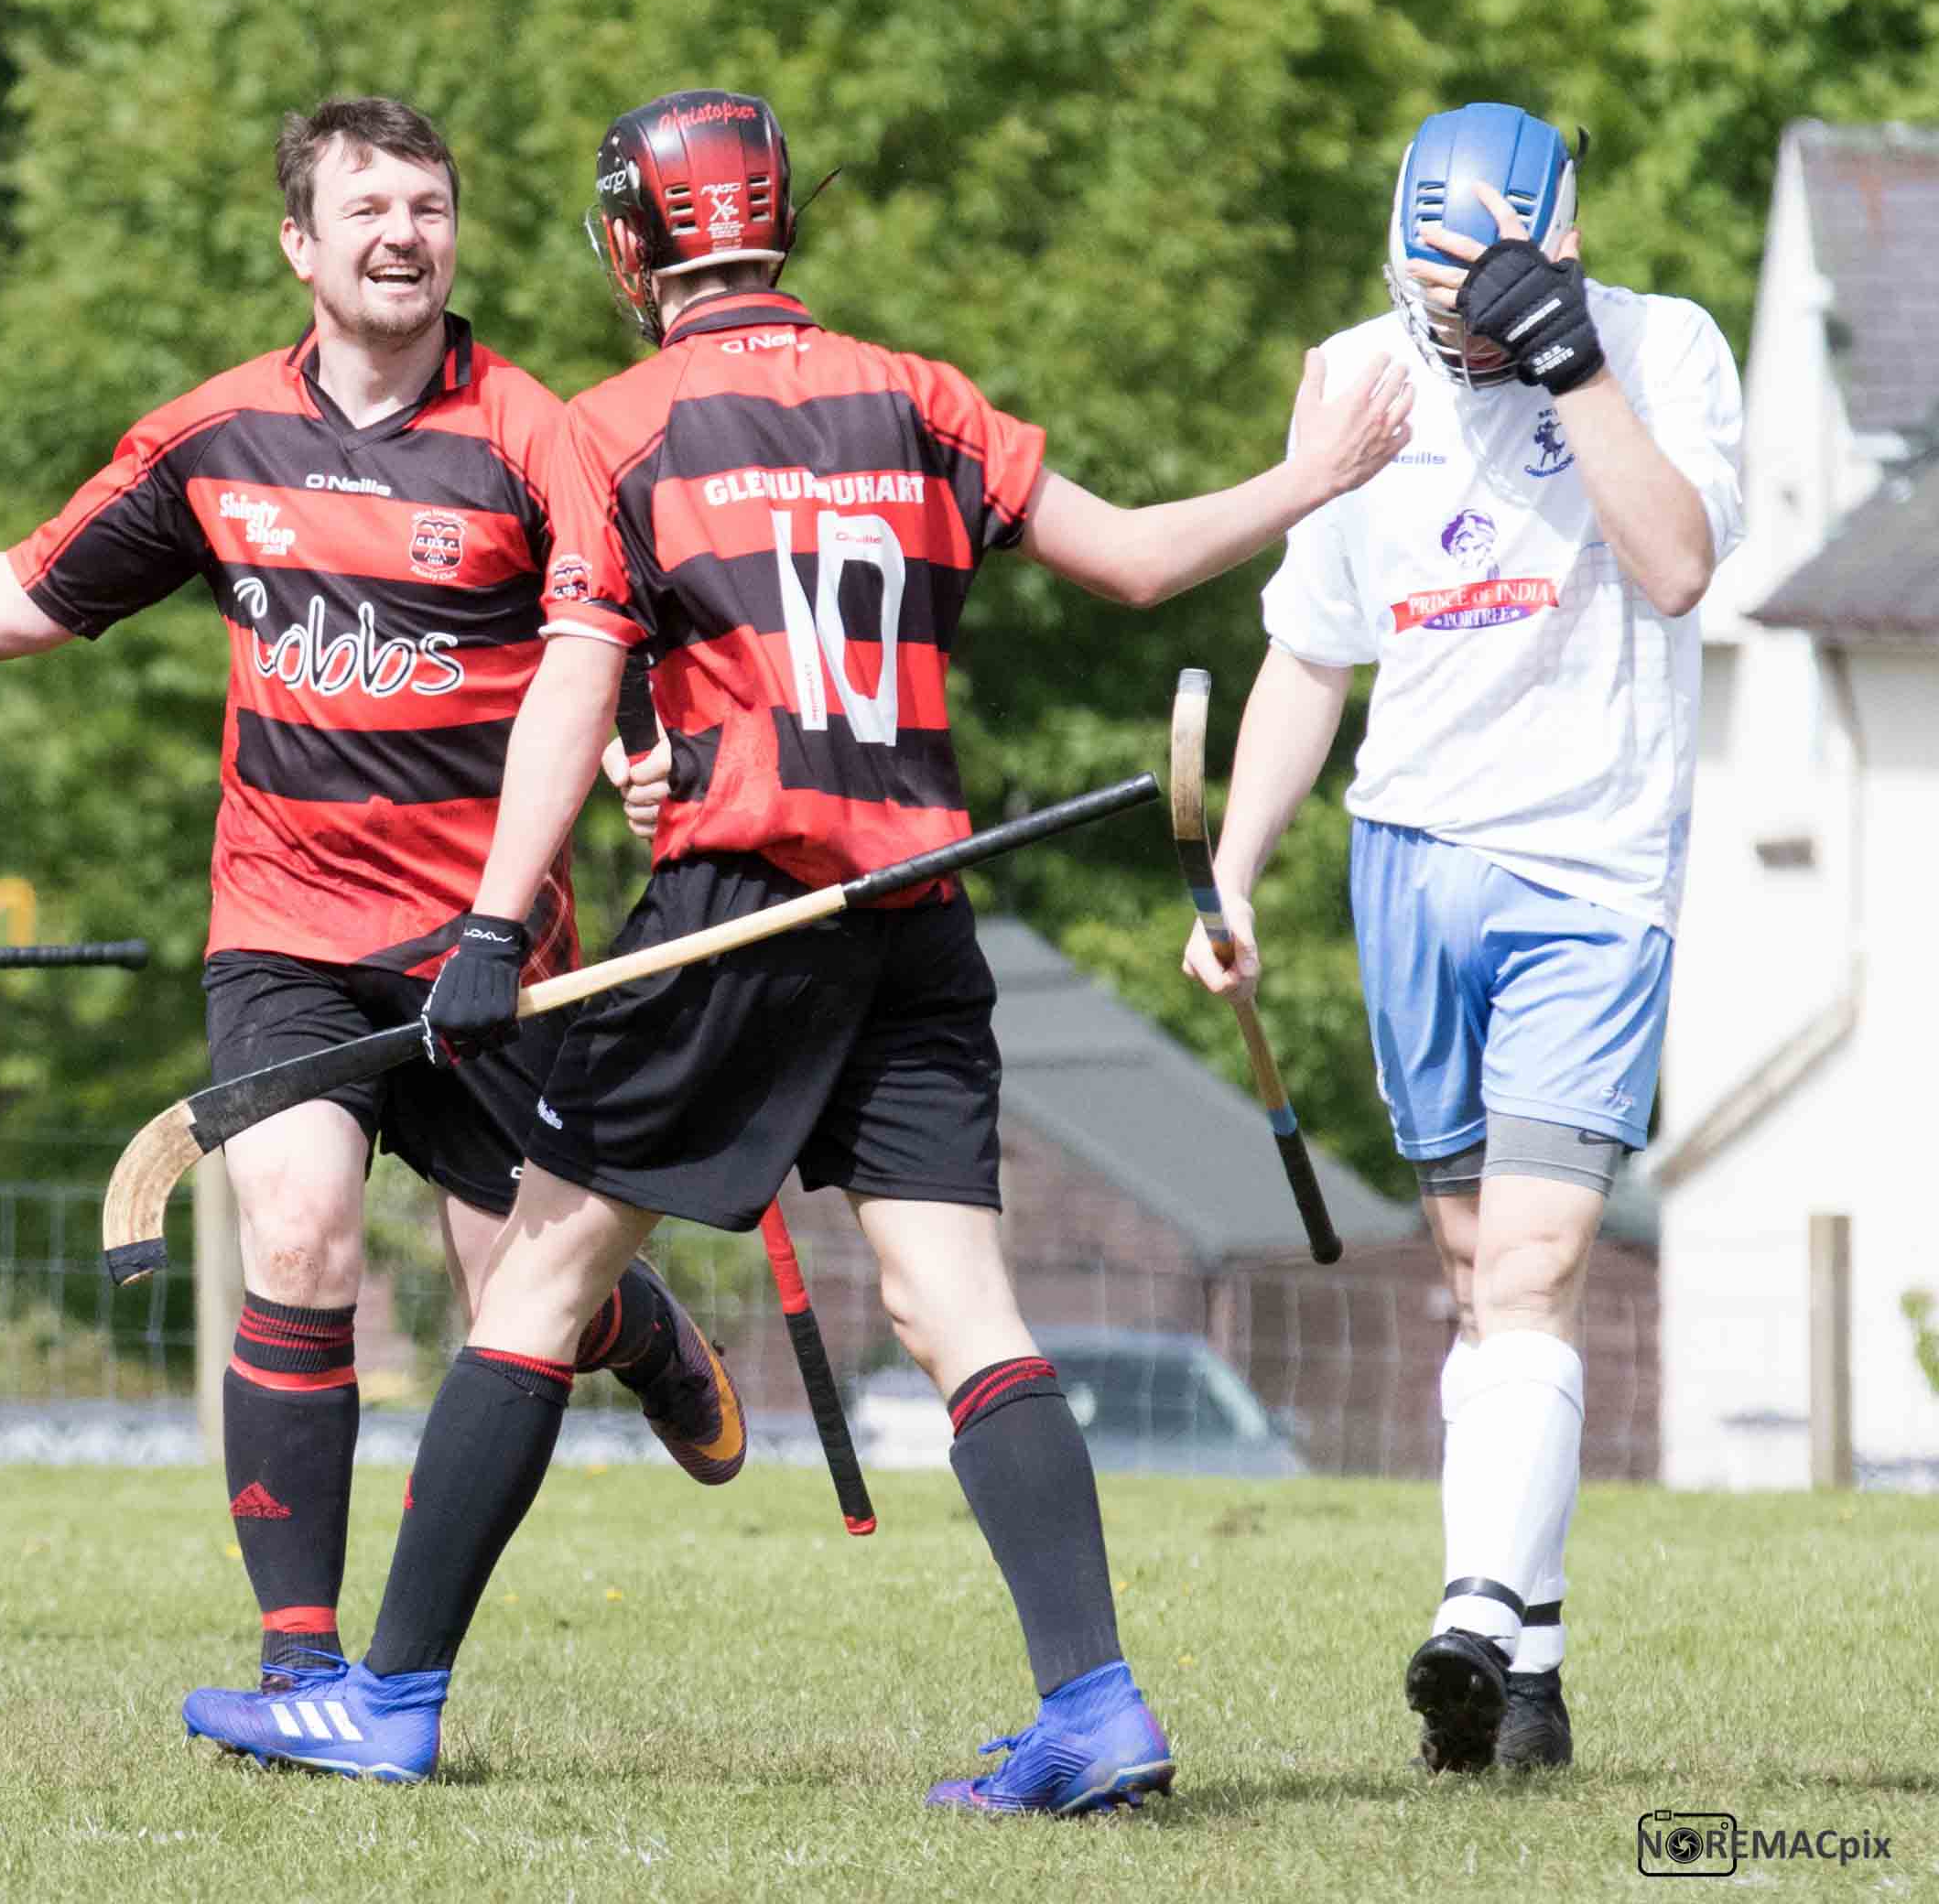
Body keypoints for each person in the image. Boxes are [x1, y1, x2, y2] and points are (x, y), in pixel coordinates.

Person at [177, 87, 1413, 1806]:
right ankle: (1095, 1705)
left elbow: (576, 679)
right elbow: (1135, 564)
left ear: (635, 248)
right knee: (957, 1303)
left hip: (739, 917)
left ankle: (385, 1700)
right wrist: (1313, 478)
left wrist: (492, 918)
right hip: (919, 911)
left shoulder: (609, 430)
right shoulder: (918, 397)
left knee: (537, 1282)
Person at [0, 98, 747, 1684]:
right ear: (299, 247)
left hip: (487, 945)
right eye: (367, 210)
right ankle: (300, 1665)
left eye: (429, 206)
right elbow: (21, 594)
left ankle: (636, 1329)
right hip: (285, 935)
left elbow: (608, 639)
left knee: (521, 1303)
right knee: (299, 1234)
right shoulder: (214, 437)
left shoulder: (538, 436)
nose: (404, 235)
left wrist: (651, 752)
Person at [1179, 103, 1743, 1773]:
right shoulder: (1358, 378)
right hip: (1412, 864)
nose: (1463, 336)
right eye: (1439, 301)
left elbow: (1678, 565)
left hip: (1592, 872)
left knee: (1536, 1272)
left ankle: (1476, 1611)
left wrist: (1571, 363)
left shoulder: (1664, 350)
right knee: (1474, 1288)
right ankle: (1531, 1677)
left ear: (1563, 247)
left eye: (1488, 299)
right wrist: (1236, 873)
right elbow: (1311, 653)